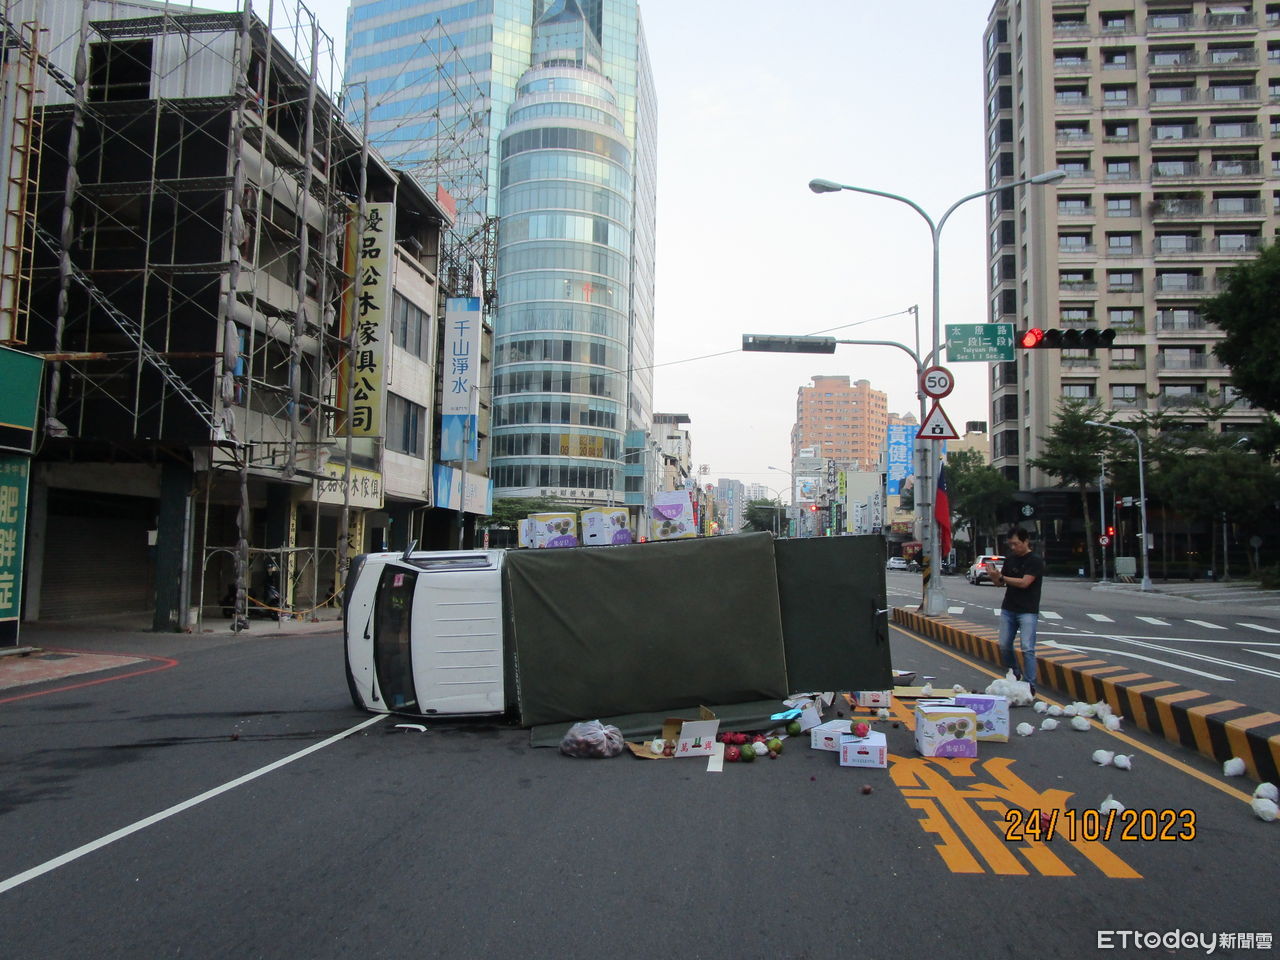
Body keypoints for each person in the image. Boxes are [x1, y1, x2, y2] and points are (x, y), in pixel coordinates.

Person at [986, 528, 1045, 698]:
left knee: (1027, 648)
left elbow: (1025, 583)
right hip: (1009, 608)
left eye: (1016, 544)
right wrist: (994, 576)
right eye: (1010, 544)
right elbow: (1000, 584)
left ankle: (1030, 684)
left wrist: (1002, 577)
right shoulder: (1010, 559)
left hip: (1028, 610)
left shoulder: (1035, 561)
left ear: (1026, 541)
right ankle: (1015, 672)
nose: (1013, 547)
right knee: (1004, 644)